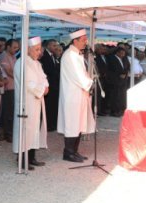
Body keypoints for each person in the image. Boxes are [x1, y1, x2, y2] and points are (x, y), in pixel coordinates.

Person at [57, 29, 96, 162]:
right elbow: (78, 77)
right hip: (72, 96)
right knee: (72, 124)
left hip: (80, 94)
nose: (86, 42)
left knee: (79, 124)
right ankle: (68, 152)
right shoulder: (69, 56)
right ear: (75, 41)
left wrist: (89, 82)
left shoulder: (76, 54)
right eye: (83, 40)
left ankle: (74, 151)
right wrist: (90, 83)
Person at [13, 36, 48, 170]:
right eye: (36, 49)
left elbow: (43, 78)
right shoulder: (21, 63)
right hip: (26, 103)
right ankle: (22, 159)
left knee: (34, 130)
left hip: (36, 102)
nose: (39, 52)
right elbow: (28, 83)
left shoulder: (37, 63)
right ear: (28, 49)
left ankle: (31, 157)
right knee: (25, 130)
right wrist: (41, 89)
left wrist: (45, 87)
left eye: (39, 49)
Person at [0, 39, 19, 141]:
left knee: (12, 111)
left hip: (14, 87)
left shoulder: (14, 56)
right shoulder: (3, 56)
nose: (17, 49)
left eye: (17, 47)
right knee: (8, 112)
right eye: (14, 47)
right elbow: (9, 71)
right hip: (8, 88)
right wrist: (20, 78)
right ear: (8, 47)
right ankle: (7, 133)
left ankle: (11, 132)